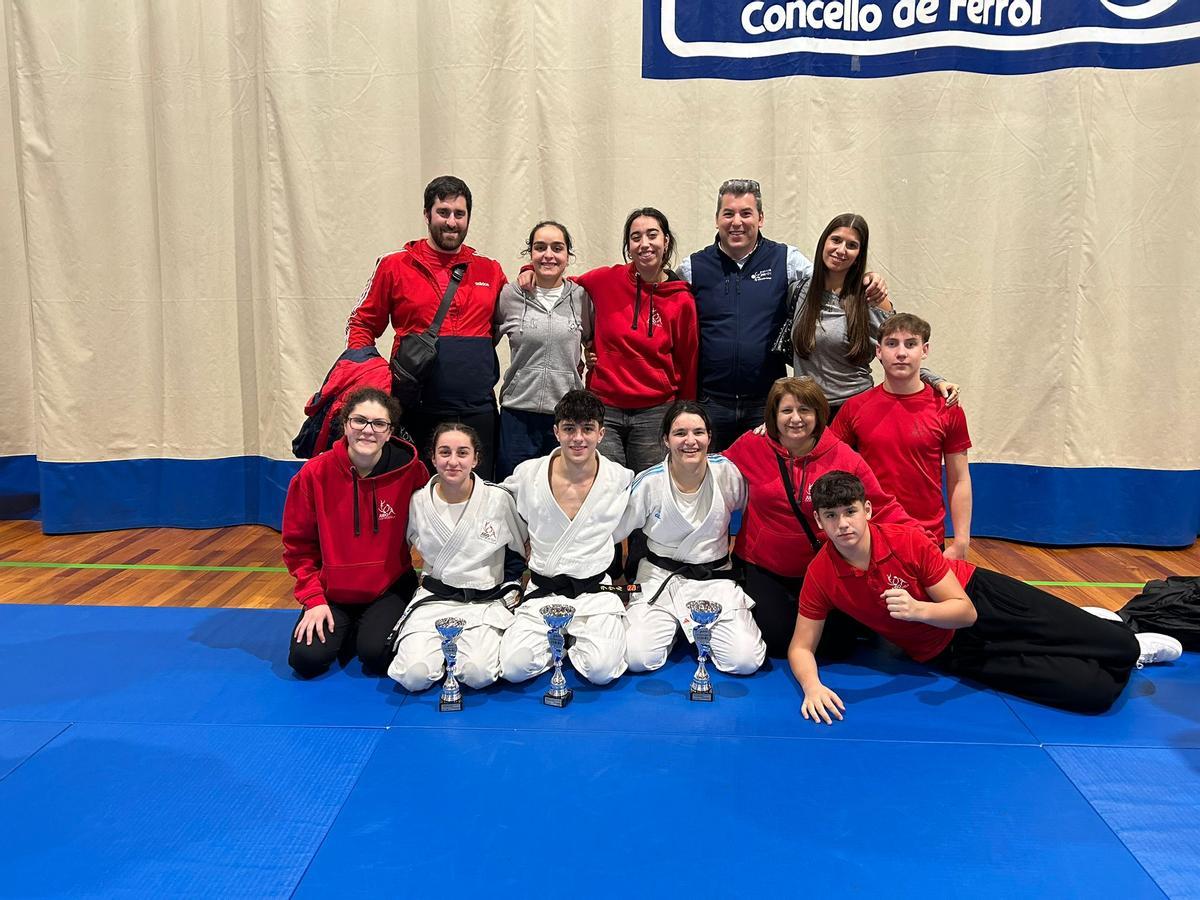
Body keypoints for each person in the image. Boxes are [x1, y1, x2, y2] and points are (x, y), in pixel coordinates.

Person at [789, 471, 1183, 721]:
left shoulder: (904, 540)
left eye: (849, 511)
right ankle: (1083, 638)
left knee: (1119, 645)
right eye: (831, 516)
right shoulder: (822, 574)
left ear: (867, 510)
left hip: (977, 597)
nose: (842, 524)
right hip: (948, 649)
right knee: (1093, 695)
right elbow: (801, 647)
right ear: (819, 522)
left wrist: (918, 609)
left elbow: (965, 612)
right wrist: (813, 687)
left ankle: (1110, 636)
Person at [677, 180, 891, 450]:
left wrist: (869, 278)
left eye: (746, 213)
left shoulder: (786, 260)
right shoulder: (692, 267)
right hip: (710, 403)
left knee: (768, 485)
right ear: (717, 219)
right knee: (714, 483)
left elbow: (831, 280)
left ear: (761, 218)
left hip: (768, 404)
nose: (737, 222)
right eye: (728, 213)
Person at [723, 376, 925, 658]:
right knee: (777, 642)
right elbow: (713, 476)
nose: (796, 419)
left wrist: (926, 546)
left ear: (819, 414)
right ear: (773, 415)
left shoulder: (843, 456)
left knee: (839, 645)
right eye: (787, 411)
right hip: (765, 564)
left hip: (825, 567)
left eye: (805, 410)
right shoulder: (751, 445)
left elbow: (881, 506)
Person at [345, 175, 507, 478]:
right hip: (416, 409)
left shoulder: (491, 270)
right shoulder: (395, 266)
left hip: (478, 409)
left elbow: (512, 320)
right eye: (443, 212)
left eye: (459, 214)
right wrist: (371, 376)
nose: (451, 222)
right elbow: (362, 323)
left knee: (481, 493)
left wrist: (529, 272)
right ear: (426, 214)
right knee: (415, 494)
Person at [282, 388, 429, 678]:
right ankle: (352, 630)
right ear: (345, 424)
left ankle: (366, 632)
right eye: (359, 421)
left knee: (377, 657)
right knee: (306, 661)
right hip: (333, 592)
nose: (368, 430)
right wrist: (314, 600)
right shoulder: (313, 475)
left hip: (388, 588)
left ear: (390, 432)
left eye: (379, 424)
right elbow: (298, 548)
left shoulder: (412, 473)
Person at [618, 401, 766, 674]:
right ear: (665, 439)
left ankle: (690, 626)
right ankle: (676, 628)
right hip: (659, 579)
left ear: (710, 437)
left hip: (715, 578)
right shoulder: (650, 482)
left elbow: (759, 511)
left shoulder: (727, 473)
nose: (690, 441)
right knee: (636, 656)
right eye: (680, 433)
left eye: (698, 432)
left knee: (745, 660)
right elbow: (614, 530)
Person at [498, 389, 634, 685]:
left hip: (596, 593)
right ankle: (561, 641)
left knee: (601, 670)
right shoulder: (528, 475)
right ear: (556, 431)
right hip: (543, 591)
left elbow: (633, 521)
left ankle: (572, 641)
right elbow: (497, 507)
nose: (578, 438)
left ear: (601, 434)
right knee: (513, 668)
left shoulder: (620, 479)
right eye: (569, 428)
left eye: (587, 429)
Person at [388, 423, 528, 693]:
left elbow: (523, 550)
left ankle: (456, 657)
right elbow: (397, 550)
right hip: (435, 601)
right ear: (433, 457)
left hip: (483, 603)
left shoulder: (498, 499)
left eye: (462, 453)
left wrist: (513, 589)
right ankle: (436, 658)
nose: (453, 461)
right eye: (445, 452)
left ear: (476, 458)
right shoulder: (417, 502)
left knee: (479, 674)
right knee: (413, 676)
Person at [790, 212, 956, 421]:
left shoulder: (871, 295)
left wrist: (934, 380)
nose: (841, 250)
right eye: (836, 240)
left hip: (853, 410)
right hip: (806, 410)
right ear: (824, 241)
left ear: (860, 254)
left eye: (852, 245)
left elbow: (898, 350)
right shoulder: (801, 289)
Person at [831, 313, 972, 558]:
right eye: (892, 343)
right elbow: (826, 464)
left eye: (910, 344)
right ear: (878, 351)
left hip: (926, 536)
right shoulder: (855, 408)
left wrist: (961, 541)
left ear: (924, 350)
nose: (901, 353)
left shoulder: (947, 408)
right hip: (869, 535)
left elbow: (959, 479)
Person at [575, 207, 698, 473]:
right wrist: (530, 270)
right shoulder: (606, 279)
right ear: (628, 246)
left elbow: (688, 361)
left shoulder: (681, 299)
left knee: (649, 490)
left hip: (655, 411)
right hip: (604, 407)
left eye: (652, 235)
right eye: (636, 237)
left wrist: (684, 413)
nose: (644, 244)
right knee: (607, 491)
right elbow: (559, 285)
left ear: (666, 241)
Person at [494, 221, 592, 479]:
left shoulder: (582, 298)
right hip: (517, 413)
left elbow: (594, 343)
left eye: (557, 248)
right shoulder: (509, 295)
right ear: (531, 254)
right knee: (512, 492)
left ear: (568, 255)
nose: (548, 255)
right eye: (540, 248)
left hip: (566, 417)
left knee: (561, 491)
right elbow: (485, 340)